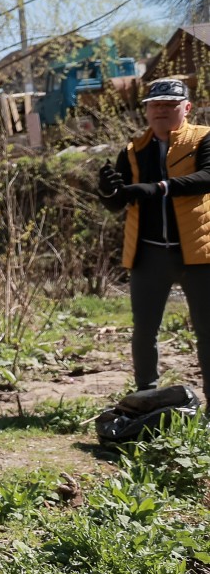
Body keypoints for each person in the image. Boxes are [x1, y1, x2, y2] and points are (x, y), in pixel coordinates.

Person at [98, 77, 210, 392]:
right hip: (148, 255)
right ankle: (147, 400)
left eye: (169, 105)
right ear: (146, 111)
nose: (161, 110)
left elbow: (207, 178)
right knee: (144, 331)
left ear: (186, 108)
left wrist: (159, 188)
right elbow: (117, 203)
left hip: (199, 253)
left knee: (207, 331)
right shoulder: (133, 151)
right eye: (155, 105)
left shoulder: (204, 139)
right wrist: (106, 191)